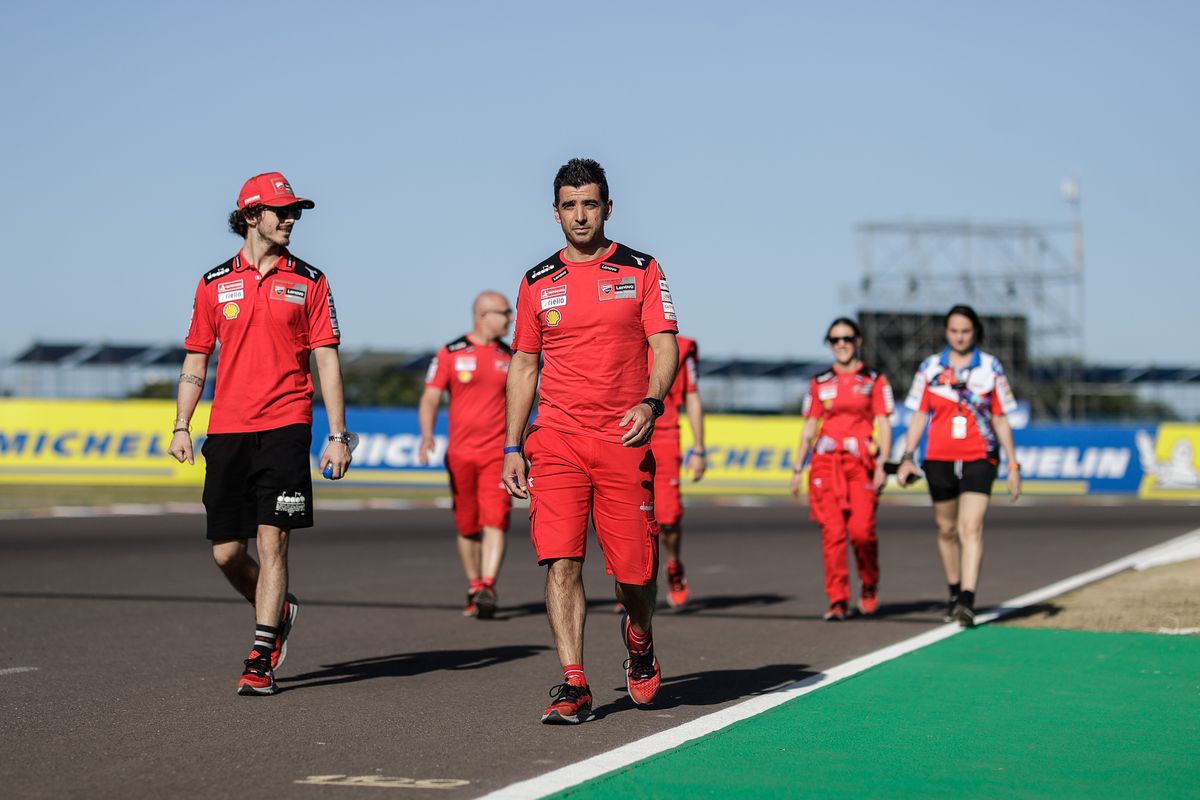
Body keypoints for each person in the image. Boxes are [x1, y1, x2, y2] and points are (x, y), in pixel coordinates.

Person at [502, 158, 679, 725]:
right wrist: (512, 446)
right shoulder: (536, 282)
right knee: (561, 561)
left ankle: (640, 634)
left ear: (607, 207)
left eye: (591, 204)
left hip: (624, 438)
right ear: (555, 213)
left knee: (634, 575)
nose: (581, 215)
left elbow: (665, 345)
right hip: (556, 439)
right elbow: (524, 365)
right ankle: (574, 683)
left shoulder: (643, 269)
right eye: (570, 205)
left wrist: (651, 403)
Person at [168, 172, 352, 695]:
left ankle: (261, 653)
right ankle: (281, 610)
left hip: (287, 426)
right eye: (281, 211)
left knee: (274, 541)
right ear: (251, 216)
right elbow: (195, 359)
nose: (291, 219)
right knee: (226, 552)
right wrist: (182, 424)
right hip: (226, 430)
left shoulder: (311, 281)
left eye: (295, 211)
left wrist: (337, 434)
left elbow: (326, 360)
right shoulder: (211, 283)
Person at [896, 305, 1021, 628]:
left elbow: (1000, 417)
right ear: (946, 333)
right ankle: (953, 591)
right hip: (939, 456)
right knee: (947, 529)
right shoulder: (930, 367)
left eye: (965, 331)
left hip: (981, 455)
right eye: (954, 331)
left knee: (970, 528)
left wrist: (1013, 464)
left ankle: (967, 598)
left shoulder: (990, 367)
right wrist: (908, 457)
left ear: (975, 332)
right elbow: (920, 414)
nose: (960, 337)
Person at [418, 291, 515, 619]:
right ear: (484, 315)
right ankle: (474, 585)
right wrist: (428, 435)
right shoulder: (451, 352)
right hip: (460, 454)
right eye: (505, 312)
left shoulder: (512, 356)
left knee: (496, 521)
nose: (510, 318)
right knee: (467, 525)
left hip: (497, 455)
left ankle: (488, 585)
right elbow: (431, 397)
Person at [790, 319, 894, 621]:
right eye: (835, 340)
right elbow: (810, 425)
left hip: (860, 464)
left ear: (858, 341)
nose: (842, 344)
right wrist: (799, 467)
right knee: (832, 534)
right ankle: (837, 599)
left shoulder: (874, 379)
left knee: (862, 532)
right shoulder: (820, 381)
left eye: (847, 338)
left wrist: (884, 464)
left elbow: (884, 423)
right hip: (825, 464)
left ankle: (869, 582)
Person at [650, 335, 706, 609]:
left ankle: (673, 564)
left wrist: (699, 449)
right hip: (625, 436)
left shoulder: (681, 347)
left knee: (669, 519)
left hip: (665, 439)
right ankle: (635, 582)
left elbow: (692, 396)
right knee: (629, 519)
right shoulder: (616, 337)